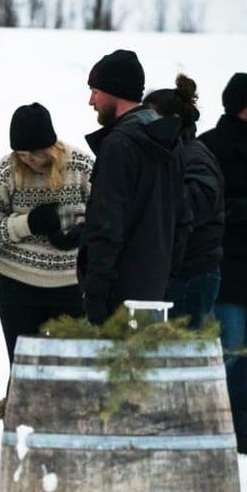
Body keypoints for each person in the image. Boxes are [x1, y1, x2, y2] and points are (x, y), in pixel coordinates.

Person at [0, 103, 92, 375]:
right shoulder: (6, 171)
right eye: (21, 153)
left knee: (68, 374)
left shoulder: (81, 165)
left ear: (50, 146)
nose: (28, 159)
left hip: (70, 287)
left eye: (35, 152)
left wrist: (72, 225)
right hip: (18, 286)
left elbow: (105, 214)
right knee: (24, 373)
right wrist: (28, 223)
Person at [198, 72, 247, 456]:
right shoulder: (210, 146)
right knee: (229, 353)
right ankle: (221, 429)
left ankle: (240, 427)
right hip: (227, 269)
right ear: (246, 102)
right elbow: (203, 210)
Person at [80, 49, 182, 325]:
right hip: (154, 288)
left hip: (118, 292)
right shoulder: (169, 141)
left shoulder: (119, 144)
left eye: (95, 91)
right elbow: (182, 219)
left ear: (114, 92)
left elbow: (107, 221)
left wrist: (96, 290)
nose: (91, 101)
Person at [144, 74, 225, 329]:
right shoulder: (176, 153)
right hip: (182, 269)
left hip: (191, 272)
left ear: (173, 120)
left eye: (150, 117)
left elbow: (196, 205)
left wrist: (152, 200)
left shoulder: (193, 156)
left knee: (179, 347)